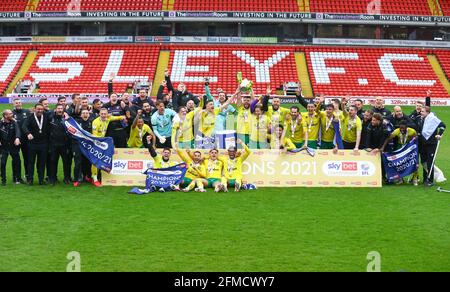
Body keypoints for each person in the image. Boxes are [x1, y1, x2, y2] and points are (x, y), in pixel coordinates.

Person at [91, 108, 126, 187]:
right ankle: (95, 179)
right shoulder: (95, 122)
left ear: (107, 114)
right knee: (95, 161)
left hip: (102, 143)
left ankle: (95, 177)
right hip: (96, 143)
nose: (103, 115)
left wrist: (122, 117)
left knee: (101, 159)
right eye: (102, 114)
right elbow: (95, 136)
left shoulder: (108, 118)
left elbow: (116, 118)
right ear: (99, 114)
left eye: (105, 114)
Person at [381, 120, 419, 185]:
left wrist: (414, 148)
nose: (401, 129)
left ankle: (415, 178)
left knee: (413, 161)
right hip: (400, 147)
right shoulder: (396, 131)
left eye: (403, 128)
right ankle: (400, 179)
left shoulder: (412, 131)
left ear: (406, 127)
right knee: (398, 163)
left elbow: (416, 138)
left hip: (409, 147)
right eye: (400, 128)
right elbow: (388, 138)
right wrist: (383, 147)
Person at [417, 106, 446, 187]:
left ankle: (430, 180)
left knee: (430, 162)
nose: (421, 112)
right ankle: (426, 178)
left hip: (431, 144)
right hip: (422, 144)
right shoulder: (421, 119)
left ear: (427, 112)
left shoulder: (433, 119)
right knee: (423, 162)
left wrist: (439, 134)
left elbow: (443, 126)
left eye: (422, 111)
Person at [22, 104, 50, 185]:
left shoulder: (46, 116)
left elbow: (54, 114)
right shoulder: (30, 117)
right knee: (31, 162)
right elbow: (24, 126)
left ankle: (41, 180)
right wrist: (28, 133)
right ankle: (30, 179)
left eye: (41, 109)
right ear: (35, 109)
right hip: (32, 144)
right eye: (38, 109)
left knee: (41, 163)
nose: (40, 111)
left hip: (43, 144)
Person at [48, 104, 71, 185]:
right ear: (55, 109)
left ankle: (67, 178)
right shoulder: (50, 117)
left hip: (64, 144)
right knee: (53, 162)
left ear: (63, 109)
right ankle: (52, 179)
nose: (60, 110)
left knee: (66, 162)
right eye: (58, 108)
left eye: (61, 108)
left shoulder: (67, 118)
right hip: (53, 144)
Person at [72, 109, 94, 187]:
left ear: (89, 114)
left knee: (88, 162)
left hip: (88, 146)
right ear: (81, 115)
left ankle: (87, 177)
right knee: (77, 163)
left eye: (86, 113)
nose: (85, 114)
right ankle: (76, 179)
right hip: (77, 146)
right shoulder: (77, 123)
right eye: (83, 113)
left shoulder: (92, 122)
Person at [0, 110, 21, 186]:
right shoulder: (0, 123)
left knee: (17, 162)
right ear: (5, 116)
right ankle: (3, 180)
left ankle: (17, 178)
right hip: (4, 147)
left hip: (13, 146)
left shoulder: (14, 123)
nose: (12, 115)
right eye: (10, 114)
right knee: (3, 163)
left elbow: (18, 131)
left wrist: (17, 138)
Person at [12, 98, 30, 182]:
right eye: (16, 103)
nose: (18, 104)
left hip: (26, 140)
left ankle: (27, 175)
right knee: (15, 159)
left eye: (19, 102)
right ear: (13, 104)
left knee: (27, 158)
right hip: (15, 140)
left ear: (21, 103)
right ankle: (15, 176)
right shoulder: (11, 113)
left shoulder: (27, 112)